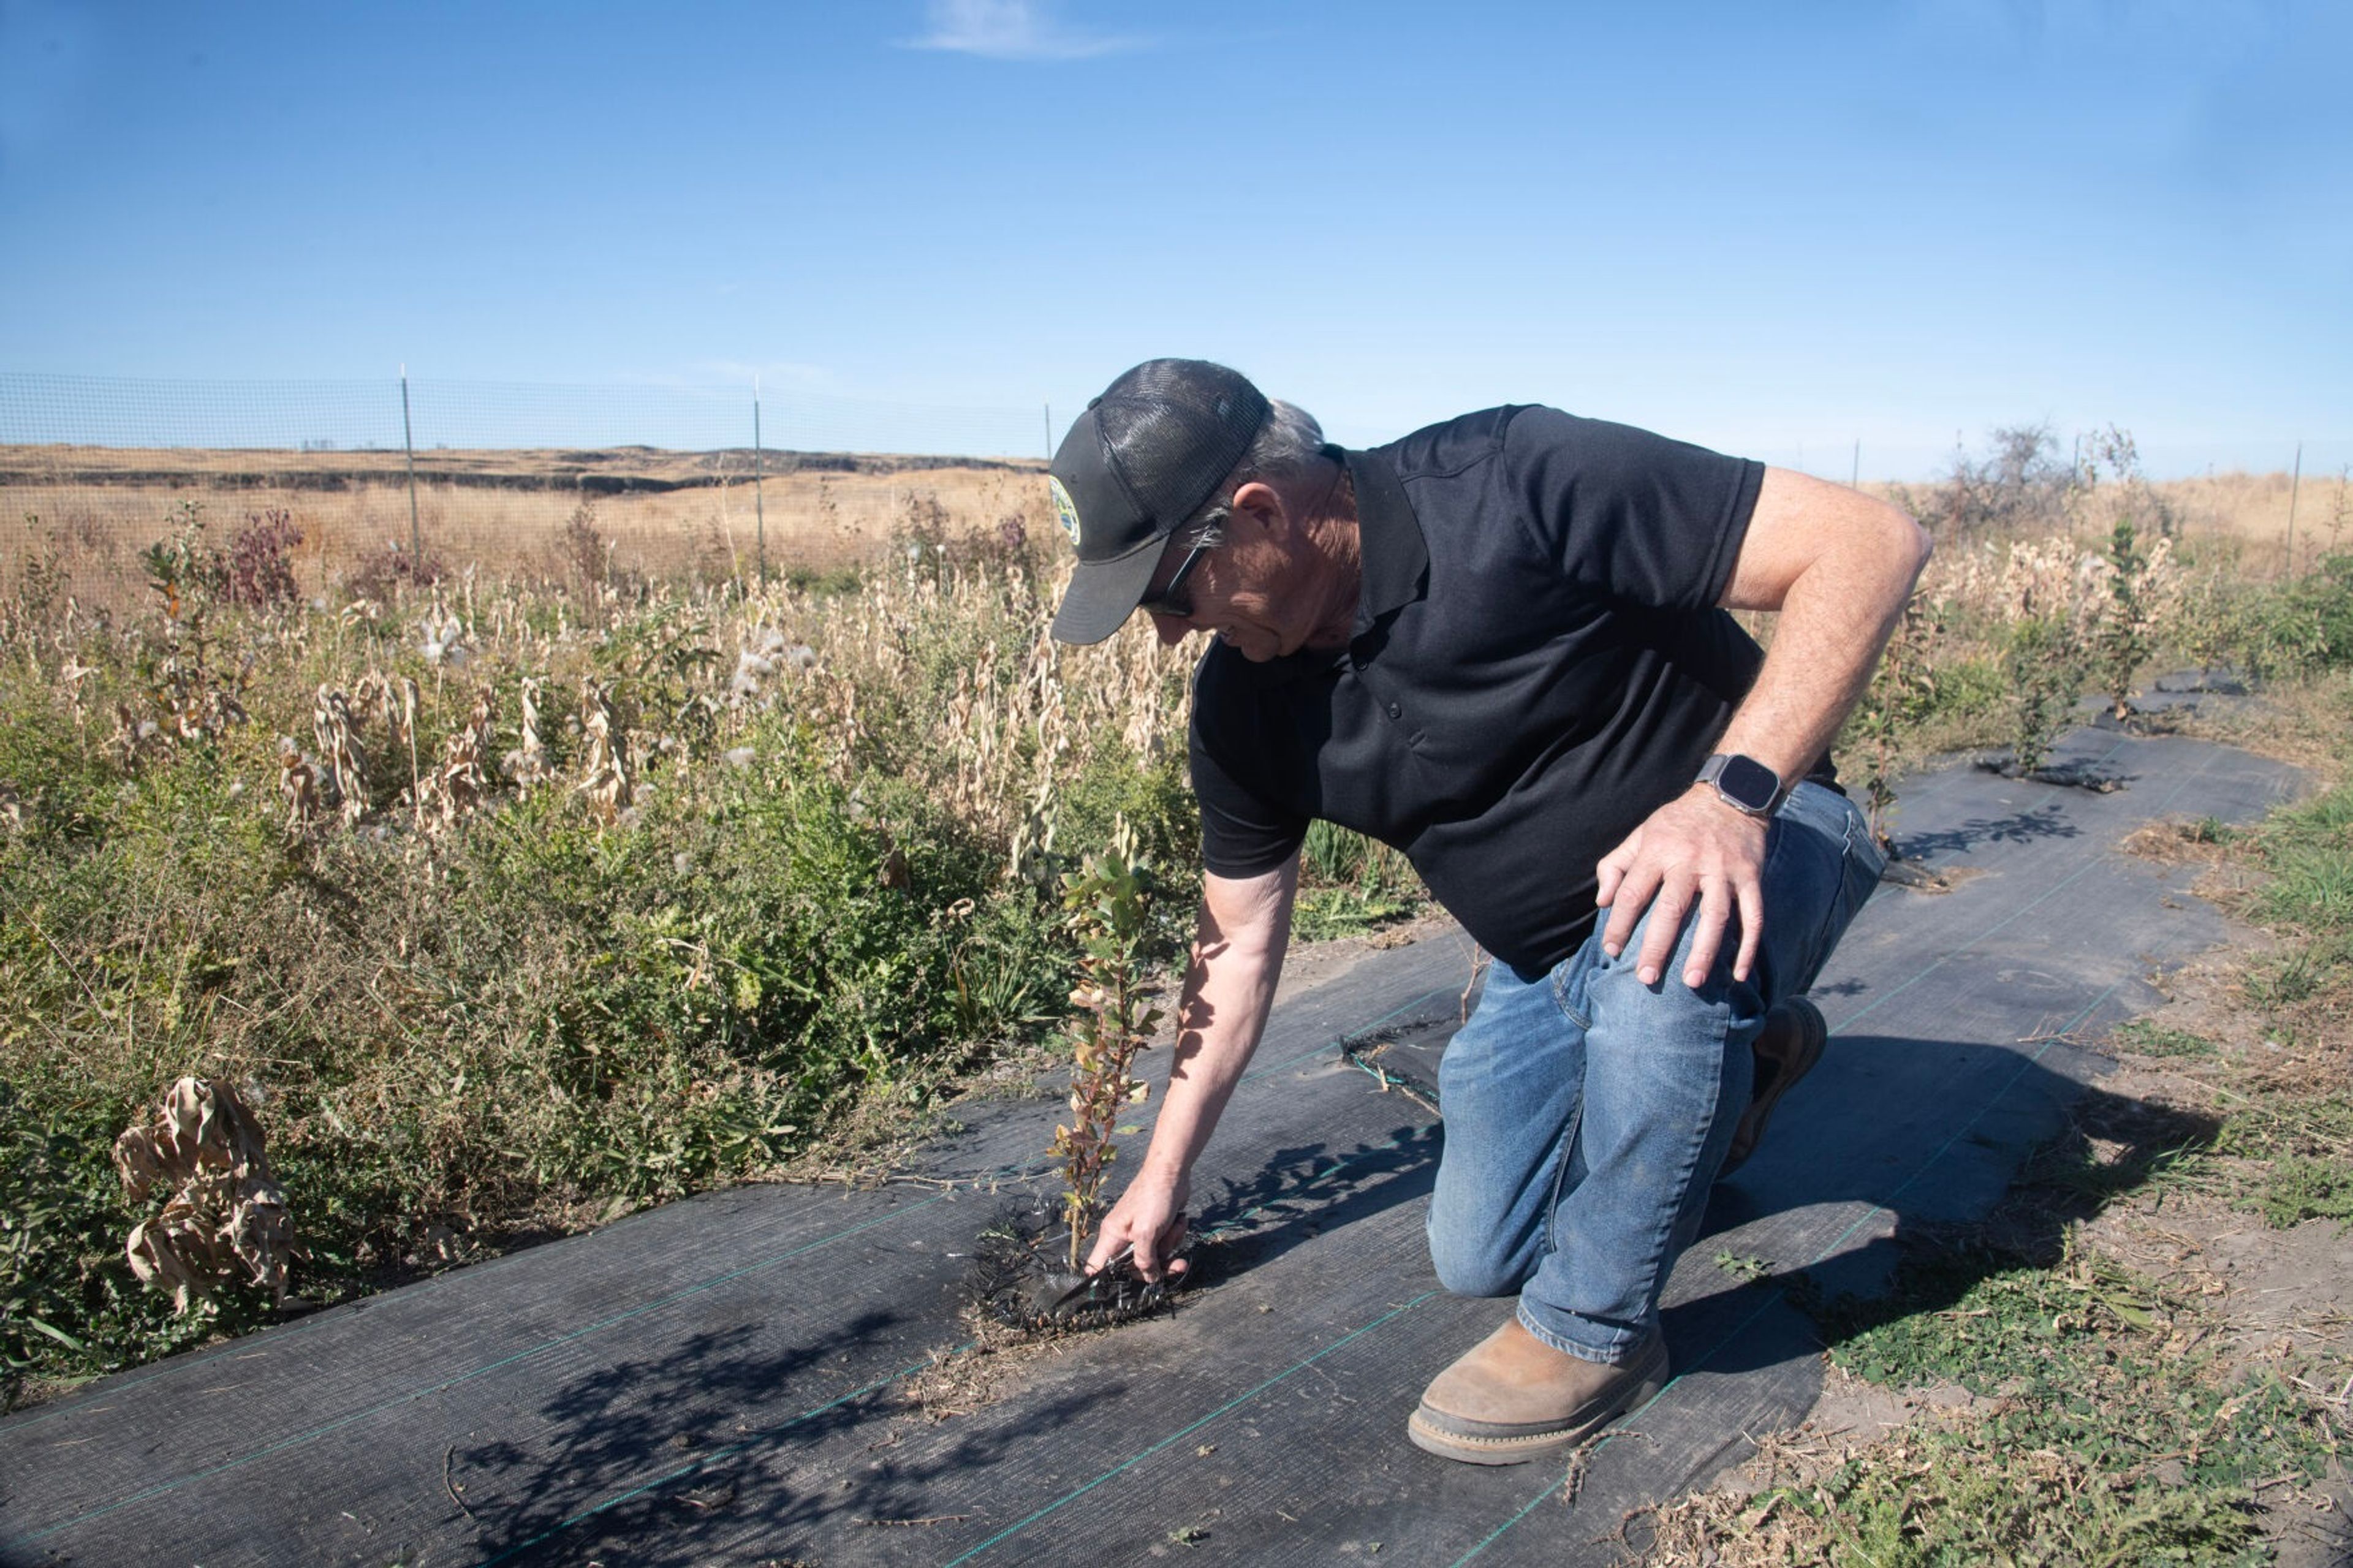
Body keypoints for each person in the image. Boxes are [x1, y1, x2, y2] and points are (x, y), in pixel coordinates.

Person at [1046, 359, 1928, 1465]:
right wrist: (1161, 1175)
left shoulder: (1516, 478)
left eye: (1168, 594)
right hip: (1549, 956)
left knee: (1666, 959)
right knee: (1478, 1251)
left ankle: (1594, 1333)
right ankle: (1750, 1061)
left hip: (1767, 833)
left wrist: (1728, 797)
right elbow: (1236, 949)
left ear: (1258, 517)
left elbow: (1870, 543)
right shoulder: (1242, 710)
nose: (1170, 634)